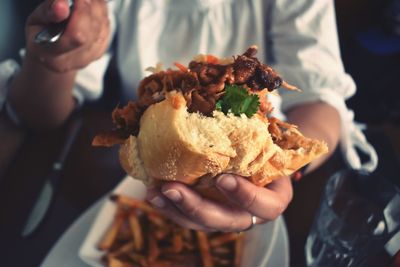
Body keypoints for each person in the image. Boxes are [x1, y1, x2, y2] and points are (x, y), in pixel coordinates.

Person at [0, 0, 377, 233]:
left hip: (255, 189)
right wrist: (53, 58)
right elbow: (41, 116)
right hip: (118, 194)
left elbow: (322, 103)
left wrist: (280, 171)